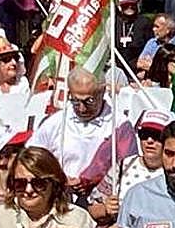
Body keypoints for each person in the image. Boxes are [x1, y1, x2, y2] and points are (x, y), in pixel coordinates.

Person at [28, 67, 139, 200]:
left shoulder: (119, 125)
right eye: (75, 101)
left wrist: (92, 181)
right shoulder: (55, 122)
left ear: (102, 91)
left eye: (89, 101)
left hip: (101, 201)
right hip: (59, 196)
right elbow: (31, 159)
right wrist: (58, 177)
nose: (82, 108)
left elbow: (128, 168)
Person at [116, 0, 154, 70]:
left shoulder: (144, 22)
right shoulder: (114, 23)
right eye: (126, 5)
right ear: (119, 6)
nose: (130, 7)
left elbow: (151, 45)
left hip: (139, 65)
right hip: (117, 65)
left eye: (132, 4)